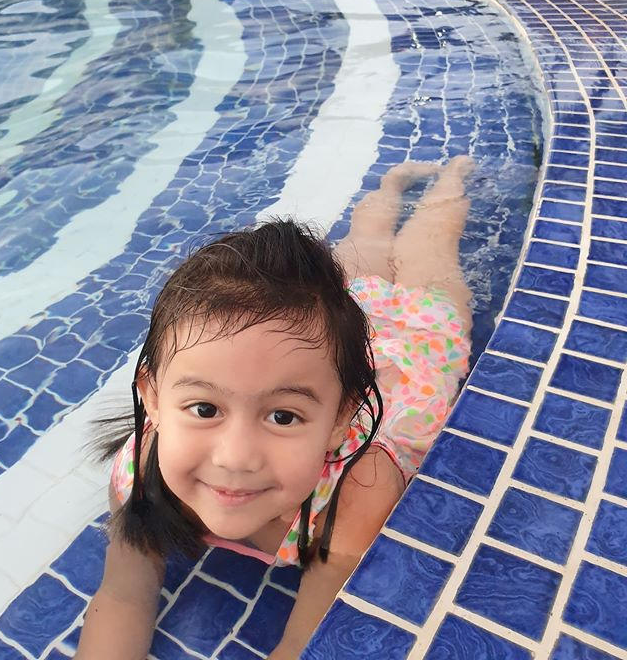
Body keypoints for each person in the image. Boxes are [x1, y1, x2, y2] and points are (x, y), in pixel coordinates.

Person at [75, 156, 474, 660]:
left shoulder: (359, 492)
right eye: (204, 409)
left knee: (430, 247)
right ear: (152, 397)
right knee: (365, 240)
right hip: (311, 350)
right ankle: (393, 183)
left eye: (283, 417)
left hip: (419, 340)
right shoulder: (139, 472)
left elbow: (303, 645)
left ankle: (452, 178)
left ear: (342, 419)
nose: (235, 457)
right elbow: (122, 598)